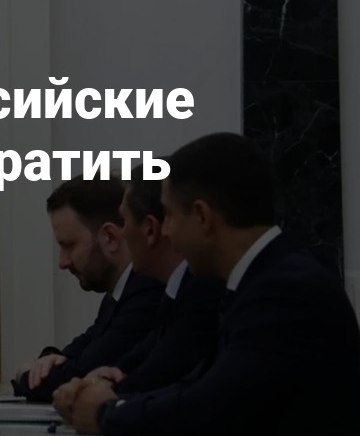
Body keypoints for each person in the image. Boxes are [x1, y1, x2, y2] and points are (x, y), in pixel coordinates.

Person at [63, 133, 360, 435]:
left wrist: (106, 413)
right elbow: (198, 385)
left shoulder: (284, 291)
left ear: (202, 217)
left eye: (170, 216)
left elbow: (208, 408)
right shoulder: (265, 278)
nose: (167, 232)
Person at [52, 164, 222, 418]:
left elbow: (163, 377)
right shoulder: (175, 290)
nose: (121, 233)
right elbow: (136, 361)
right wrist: (100, 381)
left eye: (126, 222)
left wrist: (101, 398)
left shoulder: (193, 291)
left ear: (150, 229)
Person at [12, 178, 163, 402]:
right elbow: (79, 352)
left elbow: (74, 376)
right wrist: (48, 358)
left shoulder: (147, 291)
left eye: (69, 245)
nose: (62, 262)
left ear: (110, 237)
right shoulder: (118, 294)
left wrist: (27, 374)